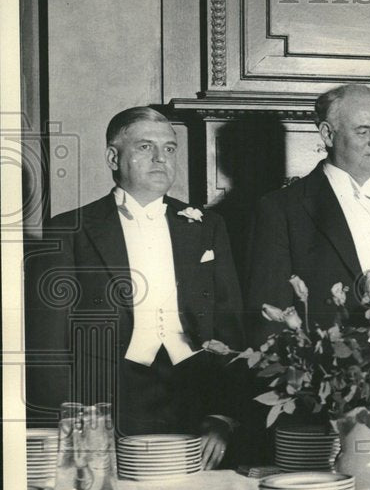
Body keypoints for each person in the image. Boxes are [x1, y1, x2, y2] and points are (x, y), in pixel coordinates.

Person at [29, 107, 245, 469]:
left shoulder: (208, 226)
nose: (161, 158)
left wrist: (224, 414)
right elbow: (47, 346)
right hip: (107, 403)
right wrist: (73, 428)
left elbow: (230, 324)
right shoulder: (71, 230)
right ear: (114, 157)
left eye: (170, 148)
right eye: (145, 147)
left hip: (194, 395)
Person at [246, 84, 370, 340]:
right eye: (363, 132)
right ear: (328, 134)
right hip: (333, 372)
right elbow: (270, 320)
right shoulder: (282, 209)